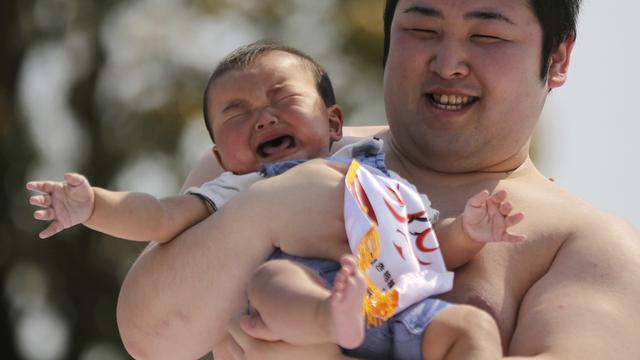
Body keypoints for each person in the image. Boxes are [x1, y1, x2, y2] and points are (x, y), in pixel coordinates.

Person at [114, 0, 640, 359]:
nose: (449, 61)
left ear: (558, 56)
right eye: (422, 29)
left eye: (486, 34)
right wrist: (270, 210)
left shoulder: (588, 247)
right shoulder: (258, 160)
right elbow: (152, 339)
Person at [27, 40, 525, 359]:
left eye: (283, 100)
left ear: (333, 122)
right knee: (273, 280)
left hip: (400, 307)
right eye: (237, 113)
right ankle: (331, 313)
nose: (263, 118)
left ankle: (350, 314)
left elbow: (426, 243)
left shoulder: (376, 169)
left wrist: (469, 231)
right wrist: (93, 206)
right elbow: (158, 217)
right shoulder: (234, 188)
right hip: (312, 311)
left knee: (471, 329)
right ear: (221, 155)